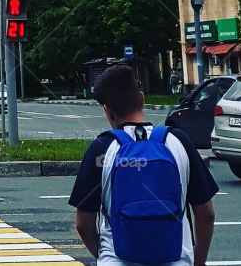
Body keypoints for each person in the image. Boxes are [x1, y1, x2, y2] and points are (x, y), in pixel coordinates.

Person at [69, 63, 216, 266]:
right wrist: (198, 262)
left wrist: (104, 255)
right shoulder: (179, 142)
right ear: (142, 99)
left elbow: (83, 223)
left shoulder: (102, 149)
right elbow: (206, 214)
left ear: (108, 111)